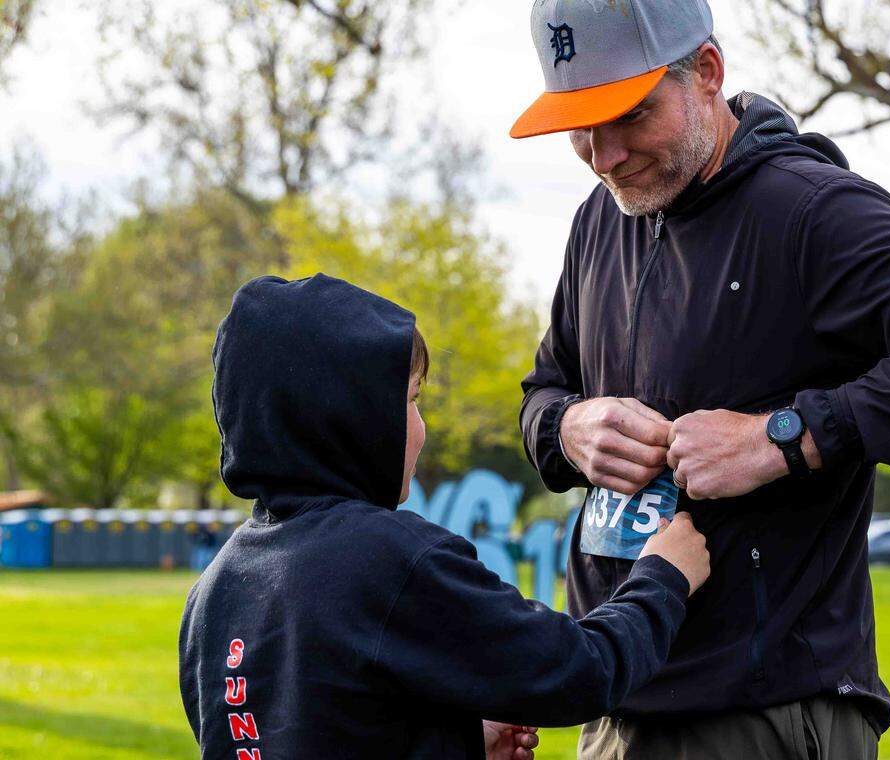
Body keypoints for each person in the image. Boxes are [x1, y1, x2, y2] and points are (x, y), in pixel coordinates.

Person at [512, 0, 890, 755]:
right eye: (579, 124)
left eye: (630, 115)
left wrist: (784, 437)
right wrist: (567, 429)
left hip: (761, 711)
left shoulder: (805, 207)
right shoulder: (599, 219)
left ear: (706, 72)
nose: (604, 156)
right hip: (617, 690)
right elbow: (543, 390)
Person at [178, 274, 712, 759]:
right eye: (412, 401)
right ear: (351, 419)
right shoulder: (386, 559)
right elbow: (576, 671)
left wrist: (454, 742)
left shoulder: (213, 590)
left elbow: (322, 728)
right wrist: (662, 579)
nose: (422, 427)